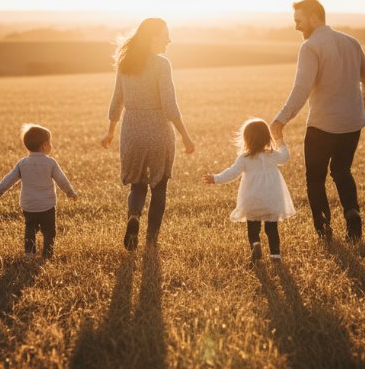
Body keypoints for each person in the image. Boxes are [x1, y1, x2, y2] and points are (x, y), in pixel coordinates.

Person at [271, 0, 365, 243]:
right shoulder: (351, 42)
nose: (296, 27)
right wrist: (363, 107)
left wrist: (281, 119)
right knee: (342, 171)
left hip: (322, 126)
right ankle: (353, 217)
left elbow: (301, 89)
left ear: (314, 17)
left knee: (315, 179)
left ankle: (324, 231)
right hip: (352, 124)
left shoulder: (310, 47)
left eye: (298, 21)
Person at [102, 18, 195, 251]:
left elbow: (116, 101)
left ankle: (134, 216)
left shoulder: (125, 63)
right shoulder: (162, 64)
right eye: (165, 34)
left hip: (132, 129)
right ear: (152, 37)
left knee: (138, 185)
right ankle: (151, 241)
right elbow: (169, 104)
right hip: (158, 129)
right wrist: (184, 135)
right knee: (159, 187)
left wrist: (110, 132)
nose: (169, 40)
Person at [204, 118, 296, 261]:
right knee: (272, 229)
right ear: (267, 137)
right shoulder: (272, 155)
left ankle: (255, 243)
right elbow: (285, 157)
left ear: (246, 140)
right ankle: (275, 255)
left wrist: (216, 178)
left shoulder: (245, 158)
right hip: (272, 198)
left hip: (252, 199)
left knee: (253, 227)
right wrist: (280, 141)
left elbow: (232, 173)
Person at [0, 123, 78, 258]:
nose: (51, 145)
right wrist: (70, 193)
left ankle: (29, 253)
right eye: (50, 143)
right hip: (47, 206)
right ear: (44, 145)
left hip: (29, 205)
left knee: (30, 228)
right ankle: (47, 254)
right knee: (49, 231)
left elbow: (9, 179)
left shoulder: (22, 163)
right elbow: (62, 180)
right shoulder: (50, 163)